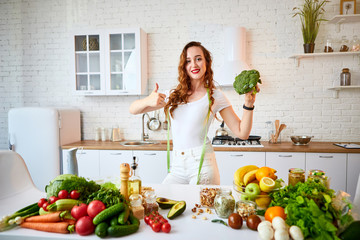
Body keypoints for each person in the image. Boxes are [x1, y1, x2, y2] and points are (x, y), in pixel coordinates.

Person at [129, 41, 259, 185]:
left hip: (202, 164)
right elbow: (133, 109)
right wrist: (148, 100)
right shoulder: (173, 95)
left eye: (198, 59)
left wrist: (249, 104)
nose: (194, 65)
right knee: (163, 202)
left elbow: (242, 133)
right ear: (184, 66)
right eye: (188, 61)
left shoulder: (216, 96)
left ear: (206, 62)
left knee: (200, 208)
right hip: (177, 166)